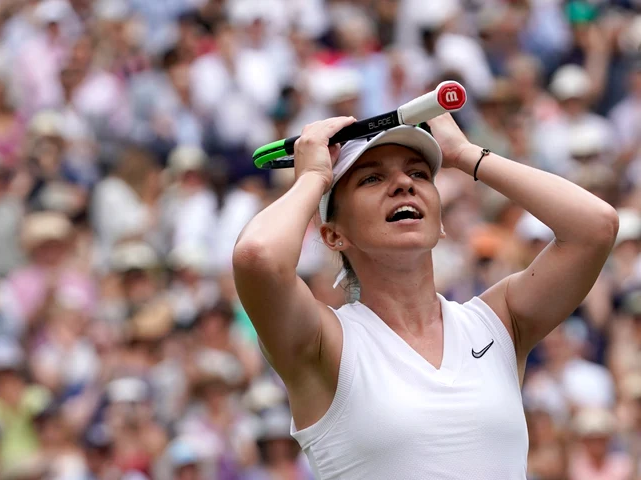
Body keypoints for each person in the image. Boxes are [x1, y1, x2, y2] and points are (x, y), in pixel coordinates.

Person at [232, 113, 619, 479]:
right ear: (334, 235)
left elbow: (595, 227)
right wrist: (314, 176)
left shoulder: (497, 322)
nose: (404, 184)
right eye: (371, 179)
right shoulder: (324, 342)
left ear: (441, 222)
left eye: (418, 173)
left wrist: (465, 155)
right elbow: (258, 257)